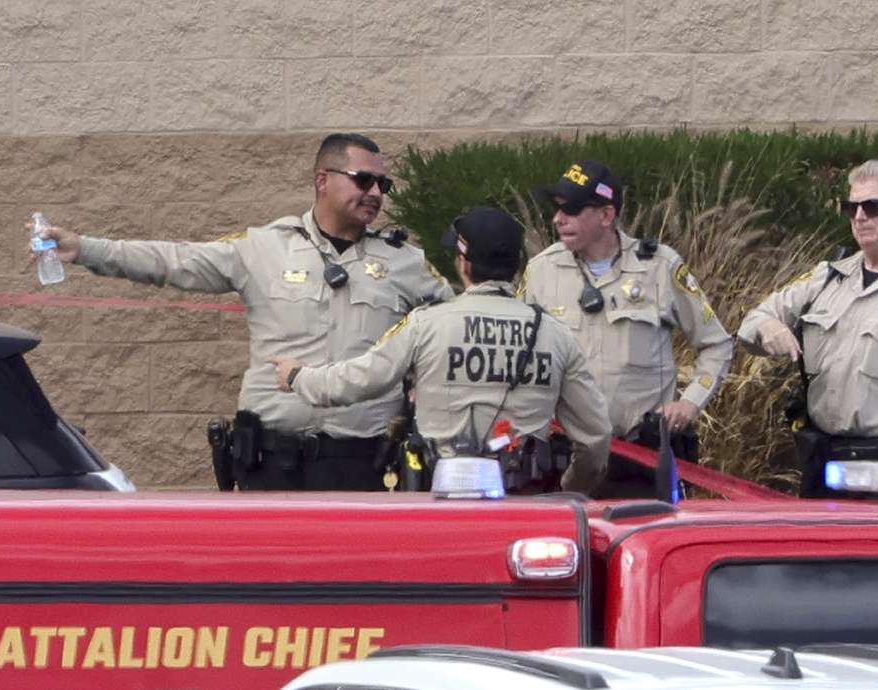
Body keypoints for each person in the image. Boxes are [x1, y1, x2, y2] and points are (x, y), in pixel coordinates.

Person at [37, 133, 453, 491]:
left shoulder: (406, 263)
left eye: (383, 183)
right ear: (322, 181)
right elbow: (175, 261)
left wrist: (424, 385)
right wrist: (85, 249)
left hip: (365, 460)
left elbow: (454, 325)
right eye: (364, 180)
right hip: (274, 458)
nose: (376, 193)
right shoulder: (263, 247)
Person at [270, 207, 611, 496]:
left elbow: (356, 381)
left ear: (464, 264)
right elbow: (595, 437)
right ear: (516, 264)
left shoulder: (427, 323)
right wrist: (569, 490)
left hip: (439, 503)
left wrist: (299, 377)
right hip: (525, 501)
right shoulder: (555, 334)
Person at [521, 160, 733, 494]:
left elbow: (716, 344)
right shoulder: (541, 271)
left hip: (639, 458)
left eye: (571, 210)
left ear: (606, 215)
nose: (557, 220)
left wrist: (690, 403)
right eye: (556, 210)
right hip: (566, 457)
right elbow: (521, 355)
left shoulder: (660, 267)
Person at [737, 160, 878, 497]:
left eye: (871, 207)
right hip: (824, 465)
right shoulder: (827, 278)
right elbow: (752, 322)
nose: (859, 217)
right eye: (851, 207)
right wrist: (770, 326)